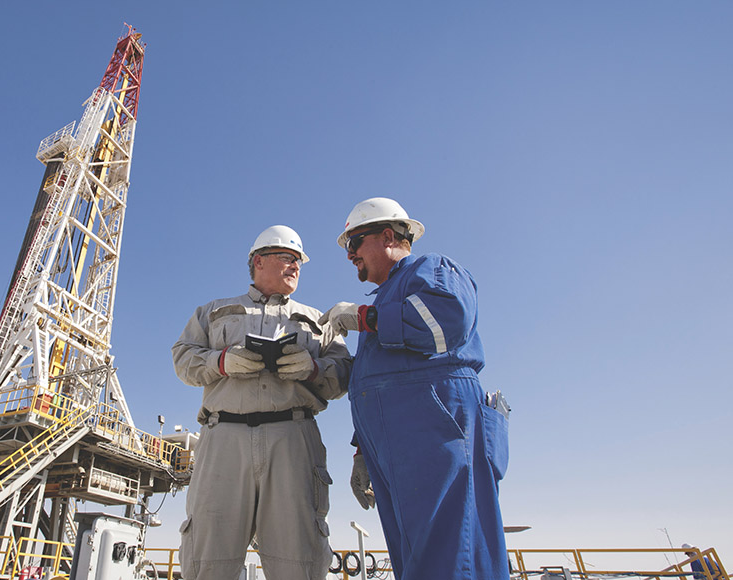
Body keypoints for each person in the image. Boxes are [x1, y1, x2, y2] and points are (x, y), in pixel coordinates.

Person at [318, 198, 510, 580]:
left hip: (437, 429)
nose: (350, 255)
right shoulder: (387, 299)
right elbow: (378, 379)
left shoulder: (431, 268)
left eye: (354, 242)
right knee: (416, 558)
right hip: (397, 443)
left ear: (388, 236)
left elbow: (445, 322)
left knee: (452, 555)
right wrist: (361, 452)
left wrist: (362, 316)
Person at [172, 225, 352, 580]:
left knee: (298, 559)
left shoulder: (320, 321)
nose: (295, 265)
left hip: (293, 438)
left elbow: (344, 372)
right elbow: (182, 359)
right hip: (223, 437)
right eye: (287, 257)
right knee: (209, 558)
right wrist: (220, 362)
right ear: (258, 261)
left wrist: (314, 368)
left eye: (298, 260)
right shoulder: (213, 312)